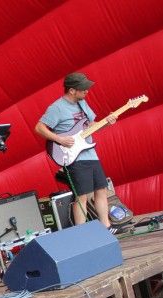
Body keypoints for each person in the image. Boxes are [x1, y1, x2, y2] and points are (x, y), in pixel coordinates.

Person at [35, 72, 117, 229]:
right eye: (83, 88)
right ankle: (82, 232)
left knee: (101, 190)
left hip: (90, 154)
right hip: (73, 157)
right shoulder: (57, 107)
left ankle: (106, 226)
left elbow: (92, 125)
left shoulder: (82, 104)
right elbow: (39, 127)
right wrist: (60, 139)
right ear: (72, 90)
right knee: (82, 196)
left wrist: (107, 122)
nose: (87, 91)